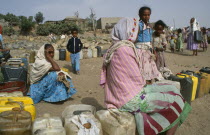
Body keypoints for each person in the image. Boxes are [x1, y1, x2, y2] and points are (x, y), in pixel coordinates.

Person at [100, 17, 191, 135]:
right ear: (129, 31)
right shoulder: (124, 50)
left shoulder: (114, 48)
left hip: (121, 94)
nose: (137, 33)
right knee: (176, 100)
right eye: (136, 30)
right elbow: (138, 78)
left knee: (172, 89)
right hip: (130, 98)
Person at [135, 6, 160, 84]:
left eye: (148, 15)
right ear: (139, 15)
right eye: (144, 15)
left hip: (148, 51)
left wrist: (154, 51)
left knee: (150, 71)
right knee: (143, 72)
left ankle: (149, 87)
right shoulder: (139, 25)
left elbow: (150, 40)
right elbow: (134, 37)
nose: (146, 17)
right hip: (140, 51)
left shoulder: (150, 26)